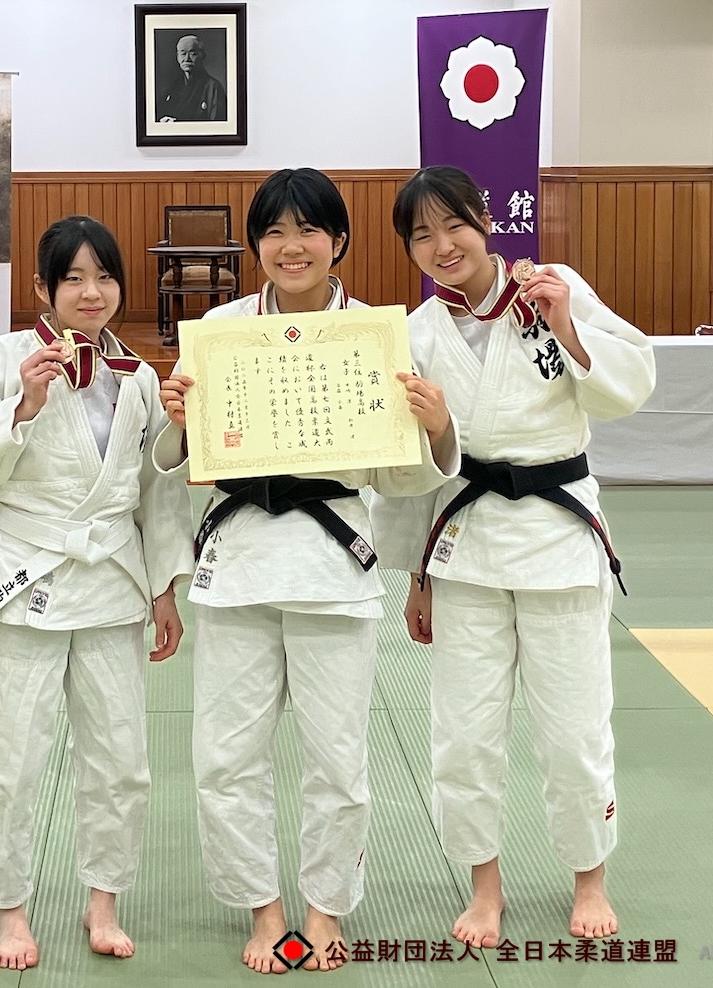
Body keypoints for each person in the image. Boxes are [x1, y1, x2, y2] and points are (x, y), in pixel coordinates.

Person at [154, 168, 459, 974]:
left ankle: (324, 909)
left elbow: (401, 478)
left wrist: (435, 430)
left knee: (338, 757)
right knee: (226, 756)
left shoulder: (374, 337)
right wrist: (179, 421)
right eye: (274, 232)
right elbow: (177, 462)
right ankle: (264, 908)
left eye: (308, 230)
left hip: (332, 563)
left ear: (339, 242)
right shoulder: (219, 331)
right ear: (255, 245)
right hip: (240, 562)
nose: (291, 247)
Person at [370, 165, 656, 950]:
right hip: (466, 547)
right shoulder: (417, 334)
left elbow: (630, 385)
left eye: (453, 225)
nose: (442, 245)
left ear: (485, 220)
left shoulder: (552, 288)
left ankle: (589, 877)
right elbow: (415, 472)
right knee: (463, 733)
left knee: (573, 728)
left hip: (559, 540)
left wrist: (568, 328)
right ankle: (484, 887)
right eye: (421, 235)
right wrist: (418, 575)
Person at [0, 215, 193, 971]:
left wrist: (165, 586)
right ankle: (10, 910)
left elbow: (159, 489)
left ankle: (102, 900)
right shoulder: (2, 358)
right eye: (73, 278)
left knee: (120, 757)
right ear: (42, 288)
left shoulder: (138, 377)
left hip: (112, 578)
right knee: (14, 756)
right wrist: (21, 407)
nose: (91, 292)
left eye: (104, 277)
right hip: (28, 575)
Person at [157, 34, 226, 122]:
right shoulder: (173, 87)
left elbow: (217, 125)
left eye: (193, 54)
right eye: (183, 53)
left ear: (202, 55)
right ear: (177, 57)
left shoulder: (213, 87)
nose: (187, 59)